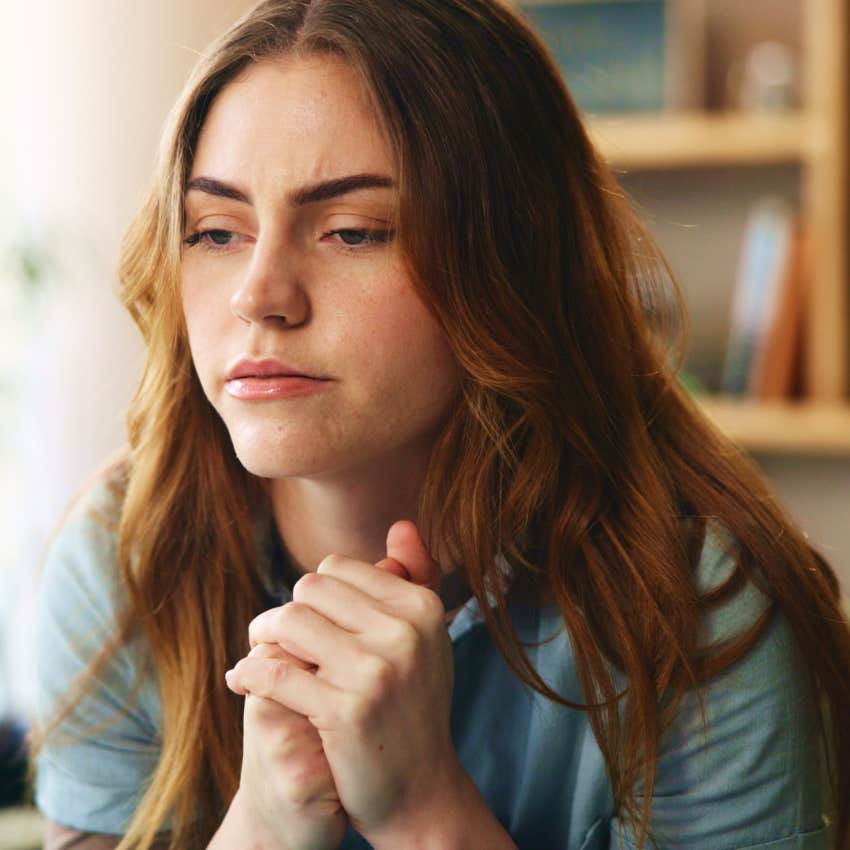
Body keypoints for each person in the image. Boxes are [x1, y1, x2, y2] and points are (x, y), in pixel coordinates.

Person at [31, 1, 850, 849]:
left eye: (354, 231)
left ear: (512, 260)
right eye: (215, 231)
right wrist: (268, 825)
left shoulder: (700, 607)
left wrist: (424, 812)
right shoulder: (124, 560)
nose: (258, 294)